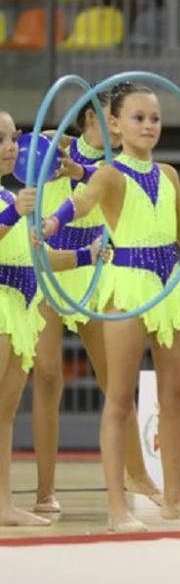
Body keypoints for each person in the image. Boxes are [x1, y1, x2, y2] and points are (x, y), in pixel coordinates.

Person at [41, 83, 180, 532]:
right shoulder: (108, 174)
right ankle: (117, 506)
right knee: (120, 398)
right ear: (115, 125)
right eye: (138, 118)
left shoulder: (171, 176)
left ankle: (175, 496)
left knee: (176, 394)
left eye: (155, 118)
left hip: (169, 284)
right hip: (127, 284)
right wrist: (52, 221)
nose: (148, 126)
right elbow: (78, 203)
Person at [32, 87, 162, 515]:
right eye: (112, 118)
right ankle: (44, 490)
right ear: (91, 118)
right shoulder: (53, 147)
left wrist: (80, 165)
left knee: (115, 383)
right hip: (51, 270)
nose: (119, 125)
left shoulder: (113, 168)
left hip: (93, 271)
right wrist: (62, 145)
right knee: (49, 378)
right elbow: (43, 138)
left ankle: (138, 473)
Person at [0, 110, 106, 527]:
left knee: (6, 413)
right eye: (0, 139)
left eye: (12, 138)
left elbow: (37, 258)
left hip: (23, 307)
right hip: (2, 305)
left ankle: (3, 502)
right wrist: (12, 216)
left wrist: (86, 255)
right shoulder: (12, 205)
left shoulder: (11, 199)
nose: (10, 147)